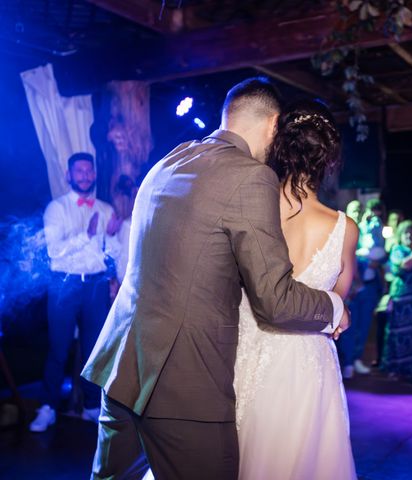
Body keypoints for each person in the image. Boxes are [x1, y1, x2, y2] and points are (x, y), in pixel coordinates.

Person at [81, 78, 350, 480]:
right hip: (184, 387)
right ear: (273, 125)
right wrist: (335, 306)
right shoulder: (250, 176)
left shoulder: (169, 160)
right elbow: (274, 300)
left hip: (122, 371)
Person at [234, 99, 358, 479]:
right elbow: (338, 300)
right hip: (307, 364)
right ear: (329, 161)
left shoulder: (249, 208)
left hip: (240, 350)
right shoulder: (344, 228)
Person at [30, 152, 122, 433]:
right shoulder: (56, 209)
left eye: (88, 171)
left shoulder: (106, 208)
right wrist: (87, 235)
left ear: (94, 175)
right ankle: (48, 407)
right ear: (69, 176)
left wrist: (115, 260)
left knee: (95, 348)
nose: (84, 175)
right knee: (59, 348)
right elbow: (53, 251)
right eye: (78, 171)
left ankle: (92, 407)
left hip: (95, 285)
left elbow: (112, 251)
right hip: (63, 284)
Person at [340, 198, 386, 378]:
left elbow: (381, 254)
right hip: (351, 287)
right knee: (348, 326)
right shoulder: (344, 232)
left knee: (364, 325)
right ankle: (348, 362)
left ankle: (357, 359)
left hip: (368, 287)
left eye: (360, 210)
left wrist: (376, 260)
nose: (357, 214)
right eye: (354, 210)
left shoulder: (368, 231)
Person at [382, 220, 412, 378]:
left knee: (410, 334)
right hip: (399, 298)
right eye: (406, 233)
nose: (409, 236)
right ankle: (394, 367)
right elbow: (406, 265)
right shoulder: (398, 250)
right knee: (397, 333)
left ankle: (408, 368)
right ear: (400, 235)